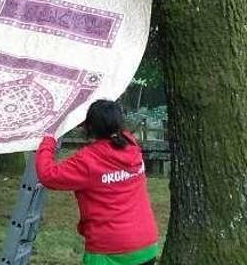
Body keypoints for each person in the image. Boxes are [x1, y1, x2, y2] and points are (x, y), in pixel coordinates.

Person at [36, 99, 159, 265]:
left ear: (89, 127)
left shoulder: (88, 160)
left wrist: (48, 140)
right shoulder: (131, 146)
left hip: (110, 250)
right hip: (146, 244)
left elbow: (47, 175)